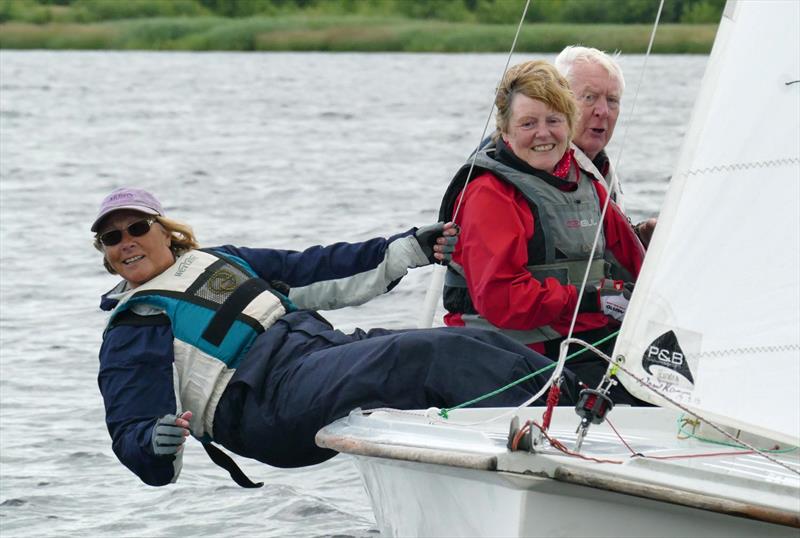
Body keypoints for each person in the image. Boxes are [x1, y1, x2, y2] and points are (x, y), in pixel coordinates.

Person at [93, 187, 579, 487]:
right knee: (429, 356)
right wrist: (150, 444)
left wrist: (408, 248)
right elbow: (131, 426)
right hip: (264, 404)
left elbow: (312, 269)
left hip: (313, 353)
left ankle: (587, 402)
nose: (127, 242)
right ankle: (563, 443)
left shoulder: (220, 259)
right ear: (107, 254)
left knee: (475, 344)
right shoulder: (136, 326)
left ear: (165, 231)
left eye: (137, 227)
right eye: (113, 239)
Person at [438, 60, 646, 405]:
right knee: (637, 401)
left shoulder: (586, 183)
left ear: (568, 123)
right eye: (528, 123)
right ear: (505, 131)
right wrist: (592, 299)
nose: (543, 134)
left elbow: (632, 260)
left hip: (579, 345)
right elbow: (503, 301)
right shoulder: (489, 194)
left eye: (554, 121)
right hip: (508, 360)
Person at [554, 45, 657, 247]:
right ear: (557, 102)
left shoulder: (600, 168)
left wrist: (641, 237)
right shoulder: (540, 170)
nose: (603, 111)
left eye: (612, 100)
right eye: (589, 97)